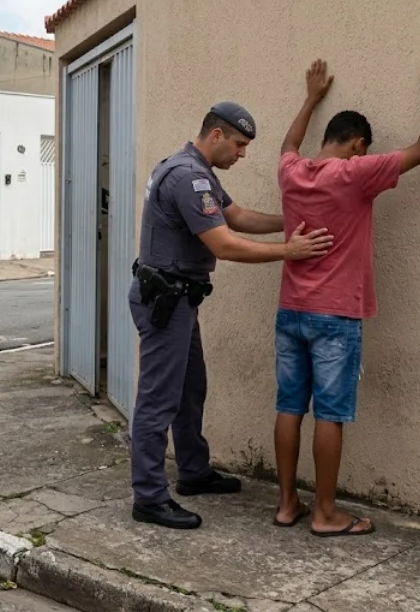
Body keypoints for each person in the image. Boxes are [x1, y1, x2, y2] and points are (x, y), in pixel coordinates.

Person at [272, 50, 420, 537]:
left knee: (289, 406)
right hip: (335, 315)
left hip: (290, 309)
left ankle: (287, 503)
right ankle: (326, 513)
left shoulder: (291, 171)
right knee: (329, 414)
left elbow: (288, 143)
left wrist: (310, 98)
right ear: (357, 145)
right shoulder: (356, 174)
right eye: (364, 148)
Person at [128, 101, 336, 530]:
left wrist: (292, 219)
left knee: (190, 390)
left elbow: (235, 215)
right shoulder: (188, 177)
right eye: (239, 145)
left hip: (179, 298)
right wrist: (289, 251)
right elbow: (223, 243)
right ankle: (148, 497)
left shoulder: (197, 171)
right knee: (159, 399)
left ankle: (193, 471)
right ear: (217, 135)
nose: (242, 154)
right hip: (165, 300)